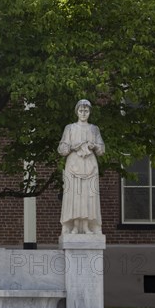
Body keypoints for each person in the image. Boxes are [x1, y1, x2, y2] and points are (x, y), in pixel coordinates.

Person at [58, 99, 105, 235]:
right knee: (74, 195)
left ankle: (87, 226)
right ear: (76, 112)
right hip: (74, 164)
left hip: (90, 165)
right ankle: (74, 226)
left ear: (90, 112)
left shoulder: (94, 129)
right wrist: (74, 146)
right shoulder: (70, 128)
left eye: (86, 111)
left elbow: (102, 149)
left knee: (89, 195)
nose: (83, 113)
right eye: (81, 110)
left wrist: (94, 145)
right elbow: (62, 149)